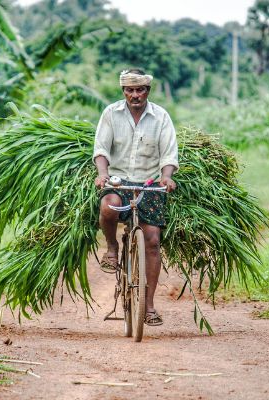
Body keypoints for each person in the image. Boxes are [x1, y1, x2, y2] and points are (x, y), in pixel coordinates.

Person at [92, 68, 178, 327]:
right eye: (130, 90)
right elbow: (101, 149)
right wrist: (103, 174)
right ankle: (112, 247)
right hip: (118, 180)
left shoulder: (161, 117)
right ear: (123, 92)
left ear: (147, 91)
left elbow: (169, 154)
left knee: (152, 240)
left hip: (149, 184)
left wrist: (167, 176)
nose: (135, 95)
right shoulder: (111, 113)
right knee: (109, 207)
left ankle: (148, 306)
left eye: (140, 90)